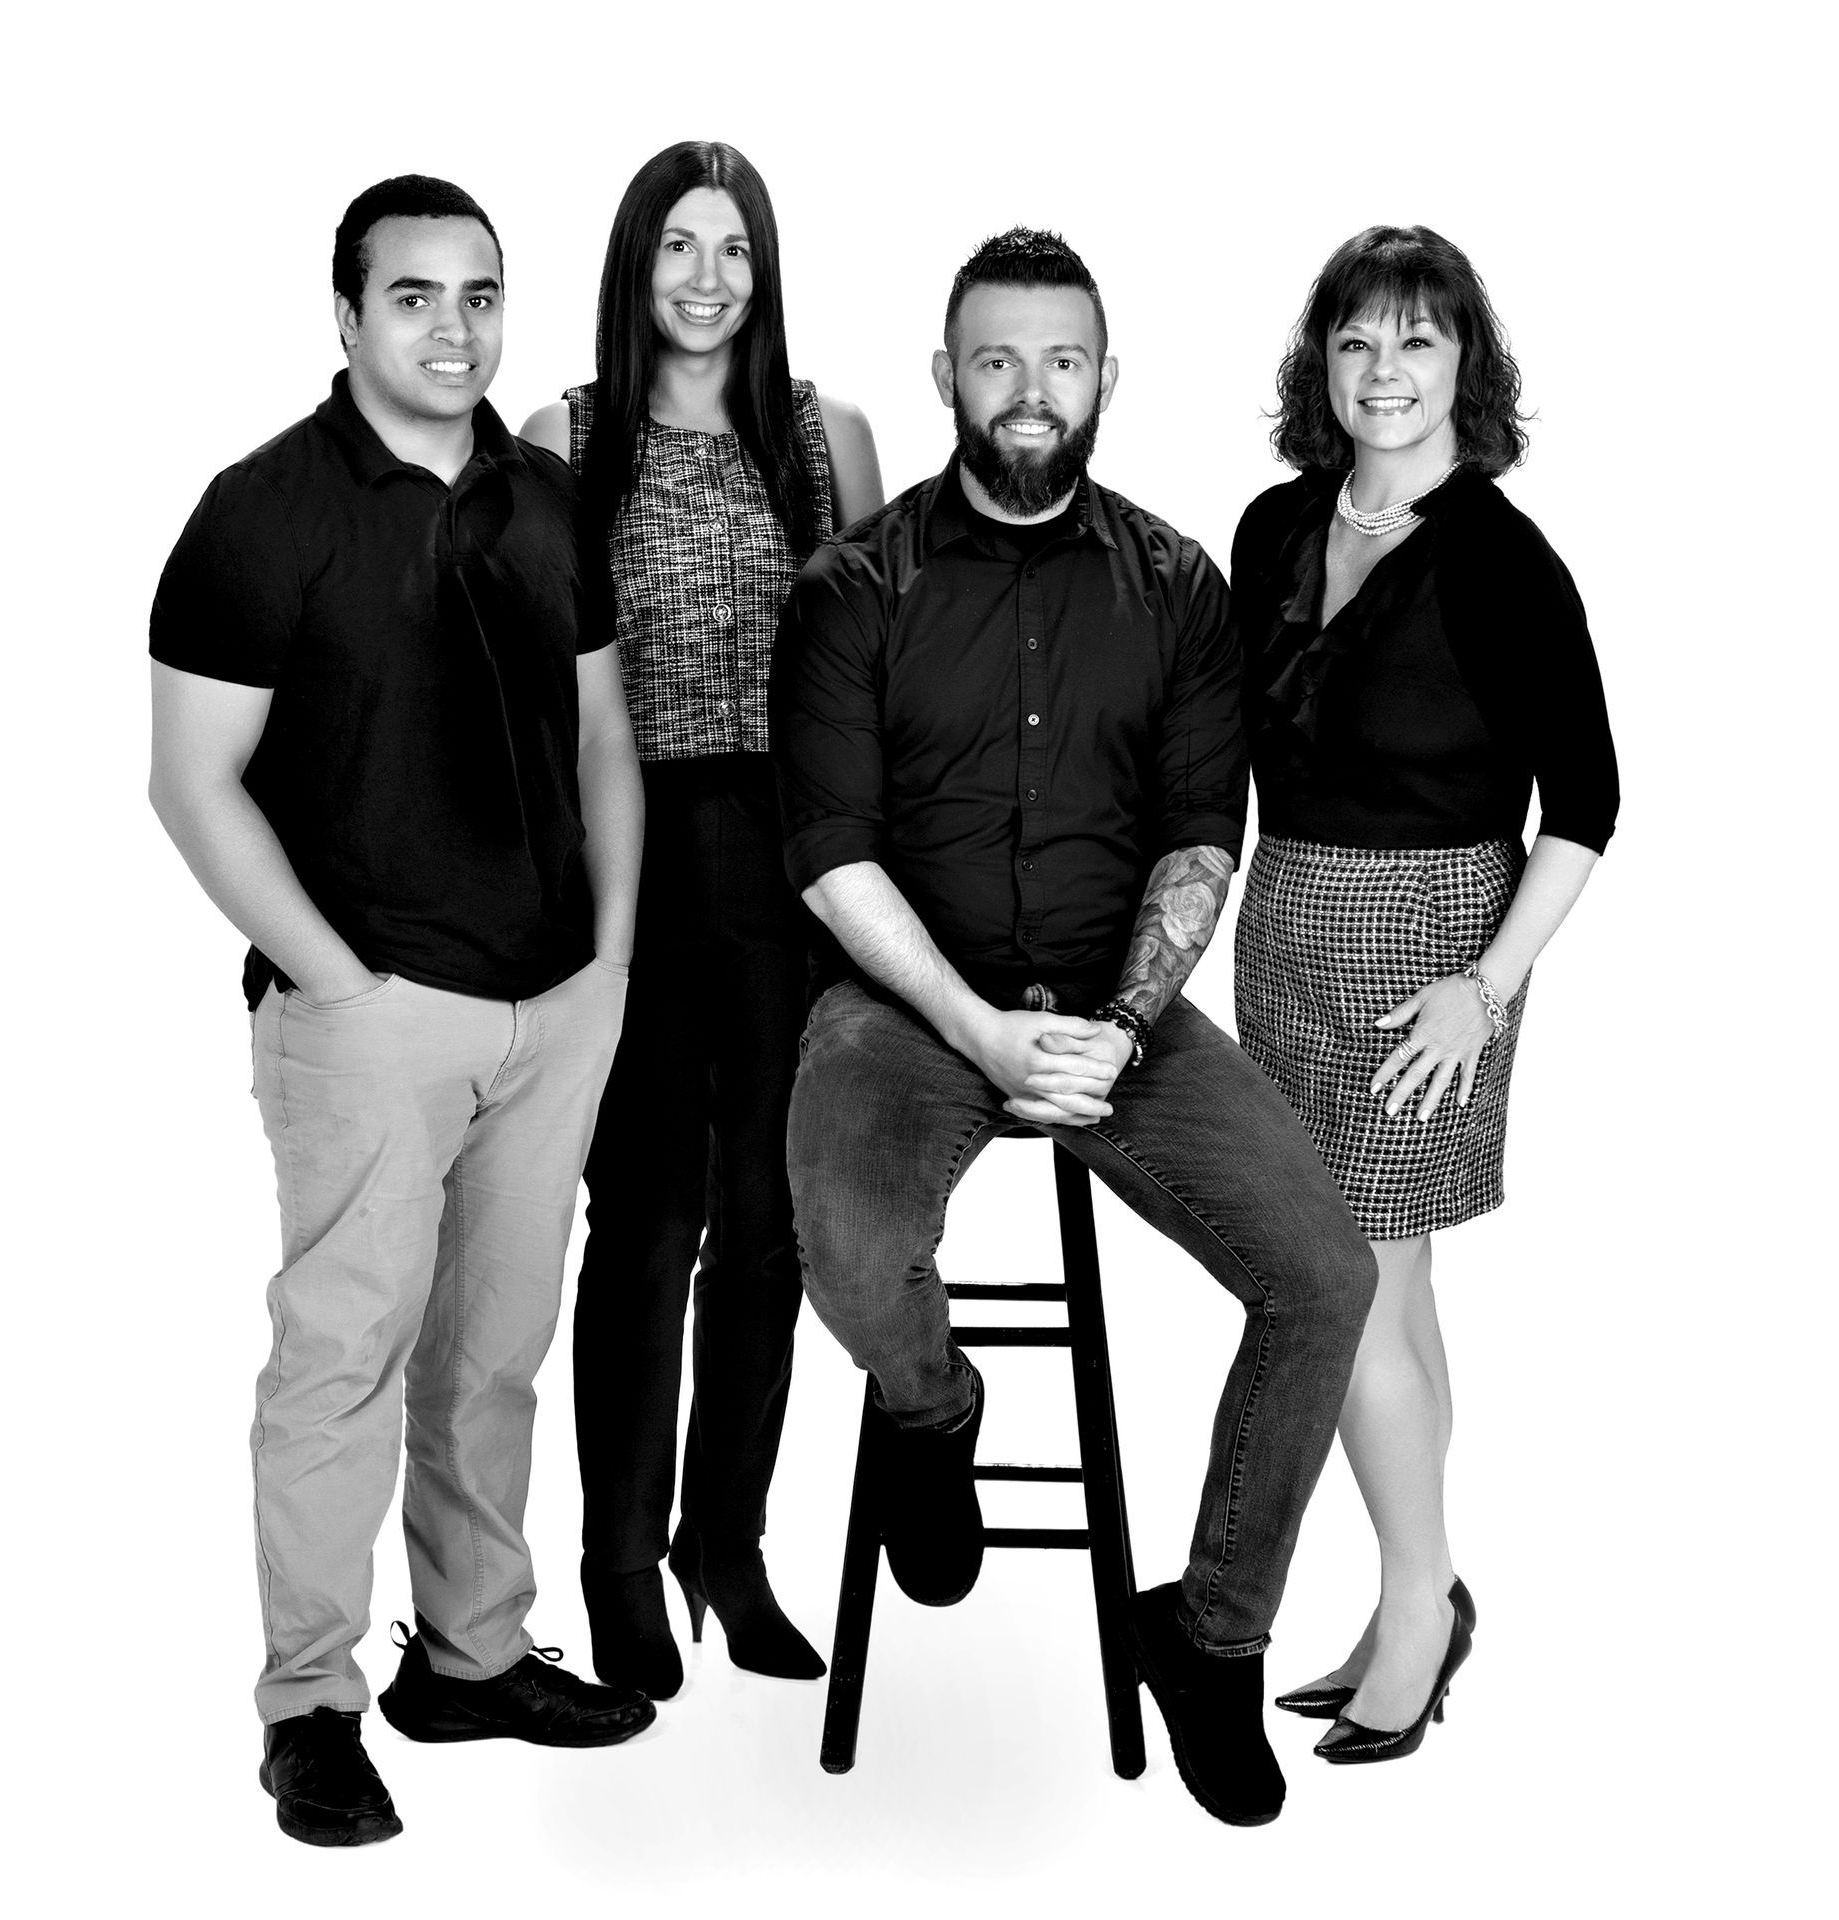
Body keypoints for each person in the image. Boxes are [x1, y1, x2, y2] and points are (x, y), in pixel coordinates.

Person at [771, 228, 1378, 1828]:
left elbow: (1201, 835)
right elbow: (830, 852)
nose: (1029, 391)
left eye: (1061, 359)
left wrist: (1117, 1021)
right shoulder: (852, 589)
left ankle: (1211, 1635)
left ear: (1108, 376)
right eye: (996, 359)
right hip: (907, 1003)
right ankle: (933, 1409)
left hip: (1123, 1013)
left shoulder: (1176, 586)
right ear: (946, 375)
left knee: (1326, 1277)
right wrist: (976, 1027)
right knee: (845, 1241)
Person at [148, 175, 655, 1849]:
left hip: (550, 1006)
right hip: (369, 1015)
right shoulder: (262, 511)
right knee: (344, 1358)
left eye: (480, 295)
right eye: (416, 296)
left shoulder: (546, 498)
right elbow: (194, 782)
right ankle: (310, 1705)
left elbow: (603, 735)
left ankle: (473, 1655)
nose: (455, 328)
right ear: (348, 315)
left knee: (493, 1354)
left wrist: (610, 960)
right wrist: (341, 981)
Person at [1231, 225, 1619, 1764]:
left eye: (1418, 339)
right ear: (1320, 366)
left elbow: (1588, 803)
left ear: (1470, 364)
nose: (1385, 370)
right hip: (1286, 927)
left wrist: (1485, 987)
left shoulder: (1504, 561)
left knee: (1348, 1280)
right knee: (1387, 1284)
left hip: (1428, 954)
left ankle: (1414, 1608)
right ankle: (1424, 1587)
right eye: (1357, 340)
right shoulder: (1275, 526)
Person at [520, 141, 883, 1700]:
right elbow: (527, 691)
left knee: (770, 1224)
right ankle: (619, 1559)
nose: (708, 279)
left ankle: (725, 1547)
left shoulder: (825, 436)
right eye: (679, 245)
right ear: (634, 260)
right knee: (648, 1221)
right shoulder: (564, 437)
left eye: (734, 249)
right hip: (633, 851)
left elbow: (875, 676)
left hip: (793, 861)